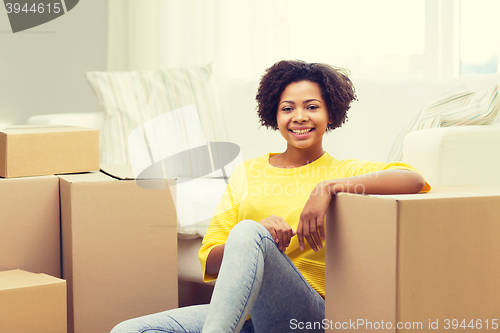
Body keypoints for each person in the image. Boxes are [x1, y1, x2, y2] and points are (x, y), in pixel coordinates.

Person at [110, 60, 430, 333]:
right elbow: (209, 256)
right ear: (274, 117)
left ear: (331, 114)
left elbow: (413, 179)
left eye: (312, 107)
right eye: (287, 108)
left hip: (307, 316)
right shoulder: (247, 172)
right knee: (129, 330)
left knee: (249, 231)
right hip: (245, 314)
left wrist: (327, 188)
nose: (299, 116)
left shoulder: (344, 172)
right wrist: (257, 241)